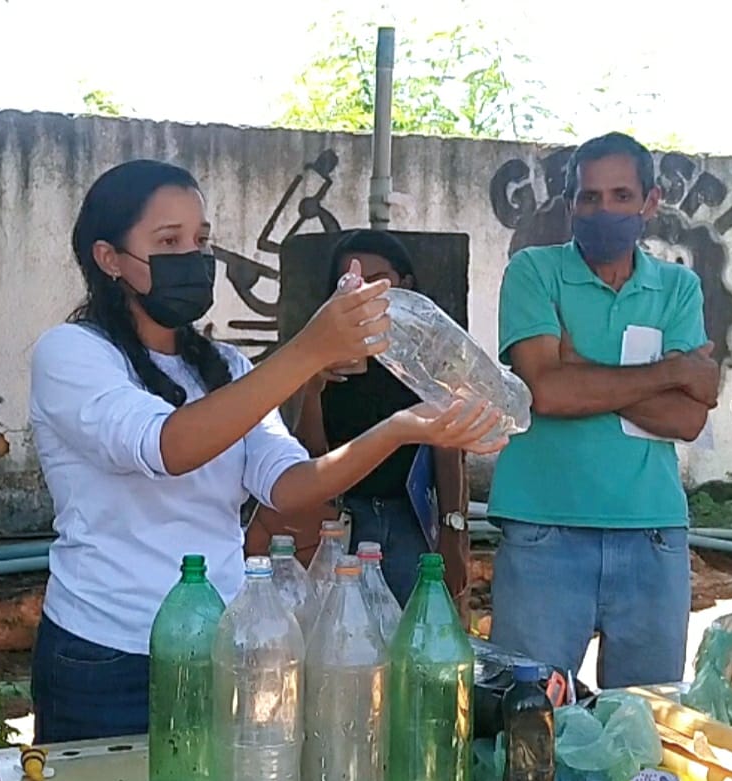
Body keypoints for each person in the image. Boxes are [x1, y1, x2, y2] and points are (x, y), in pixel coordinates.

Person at [29, 159, 507, 742]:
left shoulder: (225, 366)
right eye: (168, 241)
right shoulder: (71, 355)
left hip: (221, 642)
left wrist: (402, 429)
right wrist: (309, 350)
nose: (194, 256)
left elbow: (290, 485)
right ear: (109, 259)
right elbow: (166, 446)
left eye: (201, 240)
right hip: (107, 652)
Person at [487, 131, 721, 689]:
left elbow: (688, 420)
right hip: (543, 531)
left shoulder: (678, 287)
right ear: (570, 204)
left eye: (621, 195)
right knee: (528, 723)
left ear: (650, 202)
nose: (604, 210)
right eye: (589, 197)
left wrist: (577, 370)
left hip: (653, 534)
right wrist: (669, 373)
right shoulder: (533, 271)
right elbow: (545, 392)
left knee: (642, 727)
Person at [294, 230, 490, 607]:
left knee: (412, 634)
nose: (363, 291)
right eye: (350, 282)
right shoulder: (324, 350)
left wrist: (453, 532)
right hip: (343, 520)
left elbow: (448, 450)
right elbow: (308, 457)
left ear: (406, 284)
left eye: (376, 280)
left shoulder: (425, 357)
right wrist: (312, 388)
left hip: (411, 519)